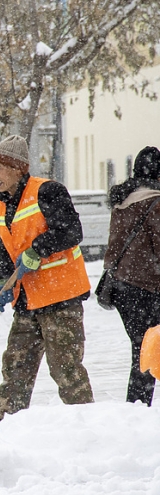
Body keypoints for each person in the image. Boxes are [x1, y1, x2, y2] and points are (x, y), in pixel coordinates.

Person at [0, 135, 94, 425]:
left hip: (60, 296)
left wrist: (38, 250)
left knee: (65, 369)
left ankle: (87, 427)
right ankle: (6, 425)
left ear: (18, 168)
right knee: (15, 366)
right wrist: (2, 282)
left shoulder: (48, 191)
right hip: (27, 299)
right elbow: (7, 254)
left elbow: (71, 231)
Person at [105, 146, 160, 405]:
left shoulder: (123, 202)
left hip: (122, 287)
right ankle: (138, 406)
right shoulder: (155, 202)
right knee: (147, 350)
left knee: (141, 349)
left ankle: (137, 406)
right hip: (147, 288)